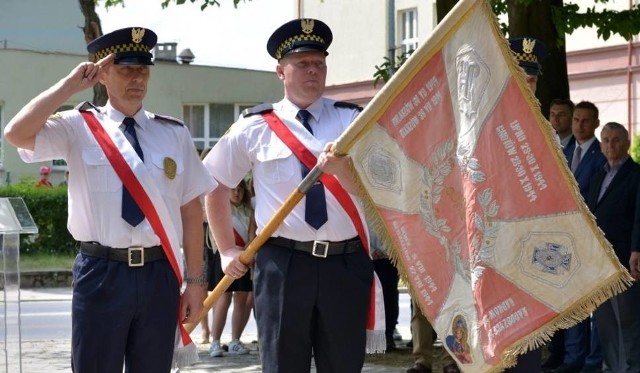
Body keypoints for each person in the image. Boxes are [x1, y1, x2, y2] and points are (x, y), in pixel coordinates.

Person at [3, 27, 216, 372]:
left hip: (158, 272)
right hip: (102, 271)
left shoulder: (172, 133)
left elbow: (191, 212)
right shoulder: (78, 126)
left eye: (143, 70)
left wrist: (196, 282)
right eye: (126, 69)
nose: (137, 79)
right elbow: (16, 133)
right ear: (102, 73)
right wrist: (70, 86)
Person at [203, 18, 381, 372]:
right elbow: (215, 184)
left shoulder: (354, 121)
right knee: (283, 364)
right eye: (302, 64)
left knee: (343, 365)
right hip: (283, 263)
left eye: (319, 63)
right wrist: (225, 250)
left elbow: (383, 190)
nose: (313, 70)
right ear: (280, 71)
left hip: (344, 263)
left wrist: (345, 172)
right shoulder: (254, 126)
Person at [549, 101, 606, 373]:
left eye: (585, 121)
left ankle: (585, 360)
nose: (579, 125)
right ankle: (570, 358)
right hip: (563, 236)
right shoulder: (565, 149)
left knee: (587, 303)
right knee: (569, 300)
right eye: (576, 120)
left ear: (595, 124)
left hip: (588, 237)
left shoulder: (600, 155)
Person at [586, 122, 640, 373]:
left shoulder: (637, 174)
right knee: (605, 322)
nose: (610, 145)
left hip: (625, 259)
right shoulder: (598, 176)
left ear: (627, 143)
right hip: (600, 262)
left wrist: (636, 250)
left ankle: (631, 368)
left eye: (616, 140)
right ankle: (612, 368)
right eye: (606, 140)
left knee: (628, 322)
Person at [208, 178, 256, 358]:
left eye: (240, 190)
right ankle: (215, 342)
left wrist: (246, 253)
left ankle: (235, 340)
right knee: (223, 298)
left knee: (242, 299)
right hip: (224, 259)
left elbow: (252, 235)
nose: (237, 193)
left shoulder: (249, 211)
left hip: (243, 258)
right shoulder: (220, 208)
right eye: (233, 189)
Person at [369, 228, 399, 351]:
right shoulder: (362, 207)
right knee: (366, 298)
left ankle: (388, 335)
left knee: (389, 297)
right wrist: (371, 251)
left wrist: (386, 251)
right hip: (365, 257)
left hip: (388, 257)